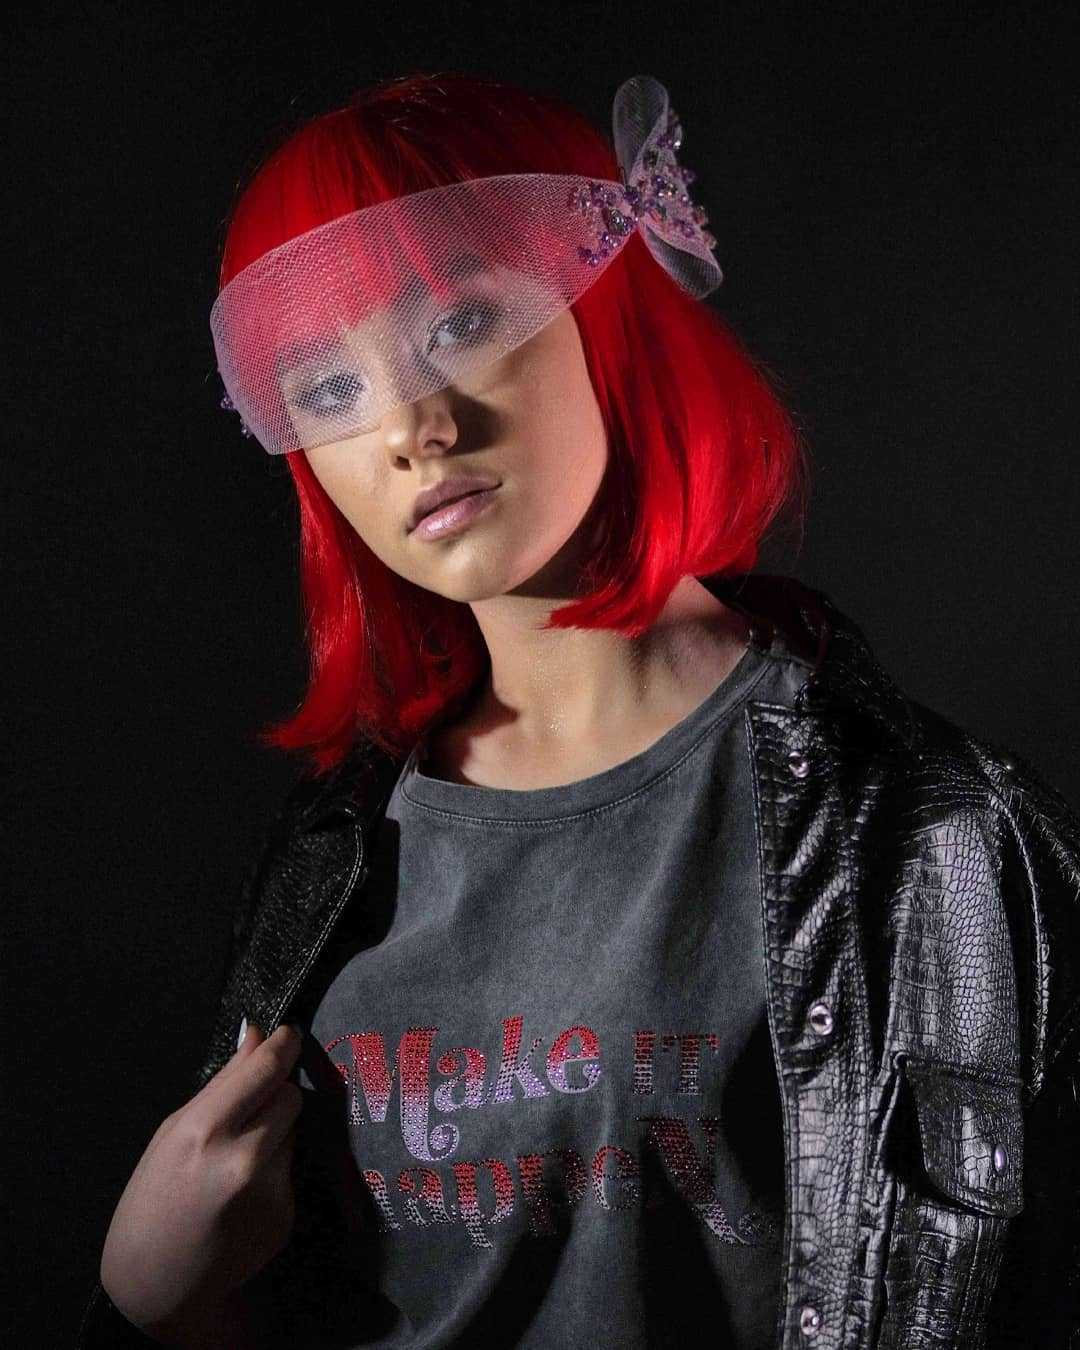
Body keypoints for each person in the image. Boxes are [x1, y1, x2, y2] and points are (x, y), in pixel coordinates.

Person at [77, 70, 1079, 1349]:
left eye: (460, 321)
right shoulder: (332, 858)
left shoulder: (930, 833)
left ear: (605, 301)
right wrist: (146, 1307)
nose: (411, 428)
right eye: (326, 388)